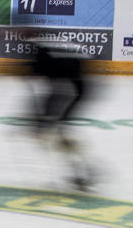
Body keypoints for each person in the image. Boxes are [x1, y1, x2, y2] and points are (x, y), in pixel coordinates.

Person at [24, 32, 97, 192]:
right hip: (76, 86)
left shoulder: (41, 50)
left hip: (72, 89)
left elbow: (46, 79)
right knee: (59, 133)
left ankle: (84, 172)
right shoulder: (47, 43)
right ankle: (83, 171)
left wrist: (42, 118)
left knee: (60, 133)